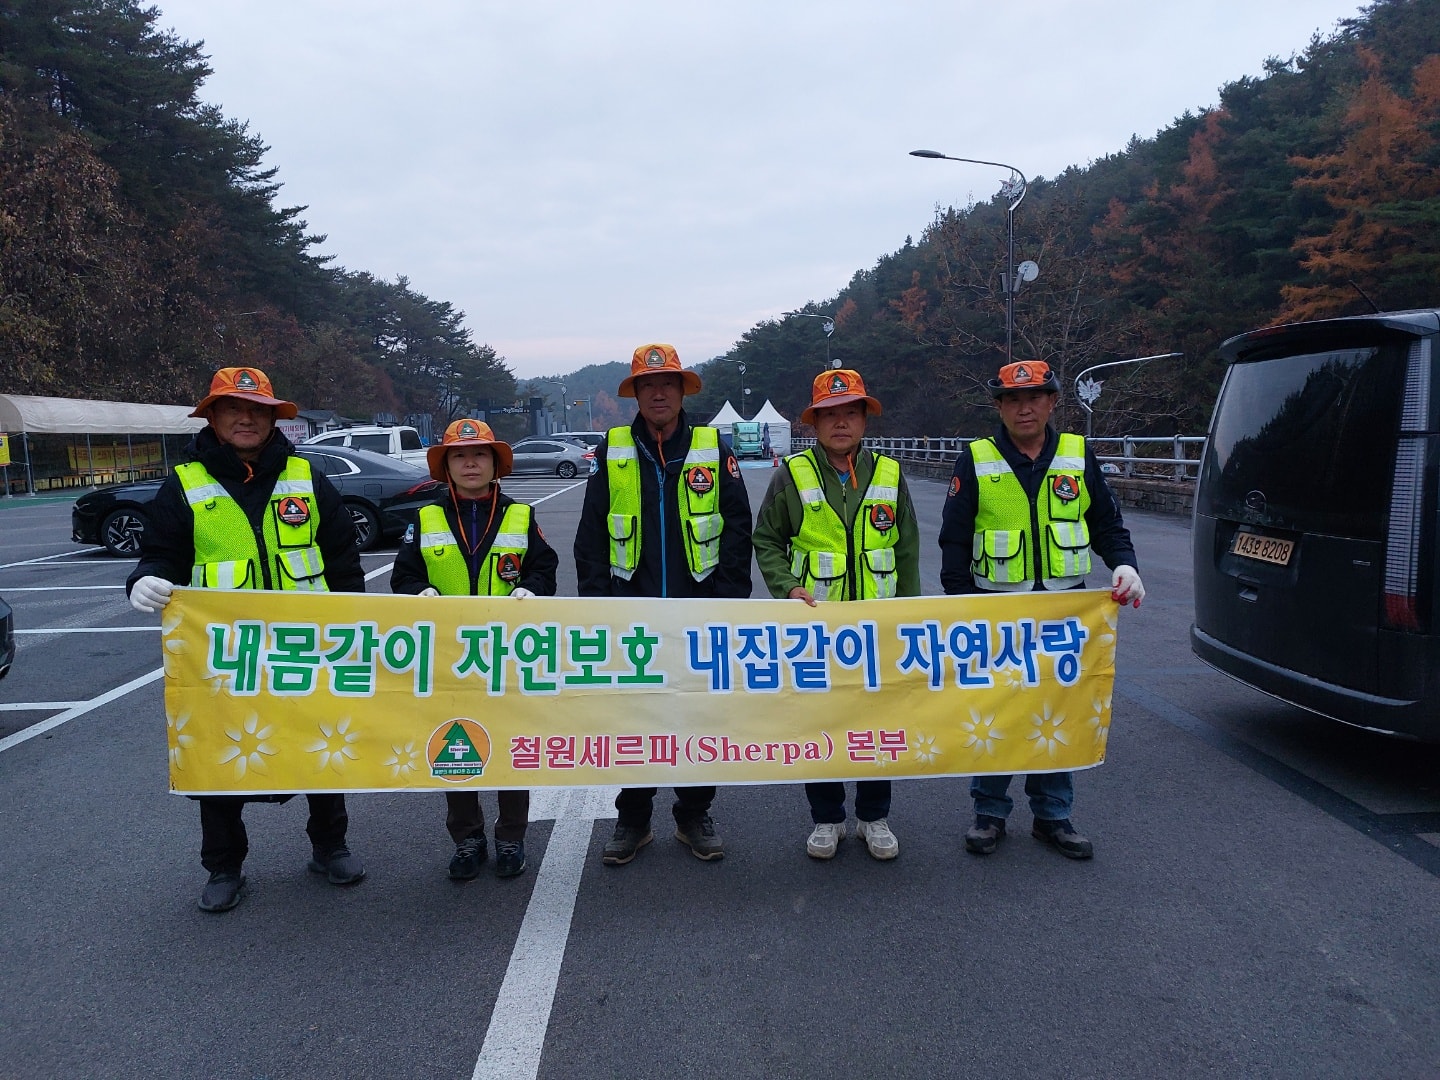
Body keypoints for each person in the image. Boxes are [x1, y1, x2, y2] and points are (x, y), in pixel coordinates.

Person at [127, 366, 368, 912]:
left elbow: (342, 559)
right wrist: (143, 579)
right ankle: (224, 867)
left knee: (322, 748)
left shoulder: (306, 478)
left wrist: (356, 623)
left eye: (257, 410)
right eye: (233, 408)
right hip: (225, 657)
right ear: (212, 417)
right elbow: (160, 554)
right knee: (219, 760)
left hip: (308, 649)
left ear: (273, 419)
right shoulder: (185, 483)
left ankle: (330, 847)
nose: (246, 419)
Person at [938, 360, 1145, 860]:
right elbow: (954, 540)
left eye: (1034, 398)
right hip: (996, 611)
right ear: (999, 407)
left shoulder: (1077, 454)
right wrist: (962, 605)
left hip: (1064, 613)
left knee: (1057, 711)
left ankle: (1053, 815)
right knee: (997, 711)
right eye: (1012, 400)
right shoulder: (977, 459)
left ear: (1052, 402)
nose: (1024, 408)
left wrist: (1125, 564)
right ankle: (989, 813)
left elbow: (1106, 523)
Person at [574, 343, 754, 865]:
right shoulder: (612, 450)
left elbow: (737, 528)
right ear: (635, 394)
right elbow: (591, 535)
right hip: (631, 614)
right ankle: (632, 819)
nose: (658, 393)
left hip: (700, 610)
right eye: (648, 385)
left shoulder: (711, 447)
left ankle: (693, 814)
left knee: (697, 715)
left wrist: (727, 603)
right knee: (634, 718)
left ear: (681, 391)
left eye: (668, 384)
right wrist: (598, 606)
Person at [752, 369, 921, 861]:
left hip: (878, 629)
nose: (841, 422)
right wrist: (787, 587)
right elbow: (767, 539)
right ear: (814, 422)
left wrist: (910, 615)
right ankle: (827, 818)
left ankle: (874, 816)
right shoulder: (792, 474)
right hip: (816, 630)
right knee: (819, 721)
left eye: (851, 412)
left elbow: (906, 550)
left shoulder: (889, 474)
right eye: (830, 414)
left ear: (865, 419)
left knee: (877, 723)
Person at [390, 418, 557, 881]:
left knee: (510, 747)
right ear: (445, 466)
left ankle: (511, 837)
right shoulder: (425, 518)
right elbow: (403, 576)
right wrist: (419, 592)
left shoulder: (521, 516)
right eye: (459, 456)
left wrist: (532, 589)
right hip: (450, 658)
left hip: (509, 656)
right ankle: (468, 839)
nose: (469, 463)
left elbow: (544, 569)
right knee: (454, 747)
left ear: (495, 463)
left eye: (479, 454)